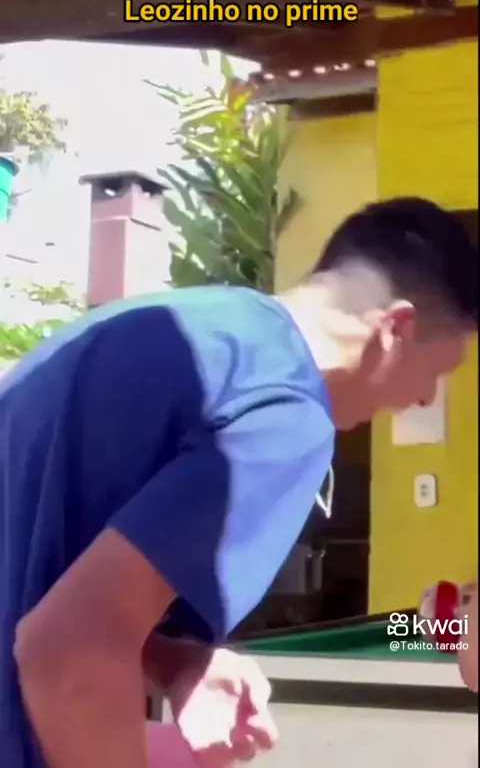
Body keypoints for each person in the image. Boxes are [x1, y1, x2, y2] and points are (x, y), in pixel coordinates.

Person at [0, 196, 477, 768]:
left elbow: (41, 585)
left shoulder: (151, 326)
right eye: (438, 373)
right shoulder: (287, 419)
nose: (423, 399)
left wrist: (170, 658)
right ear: (397, 329)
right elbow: (69, 648)